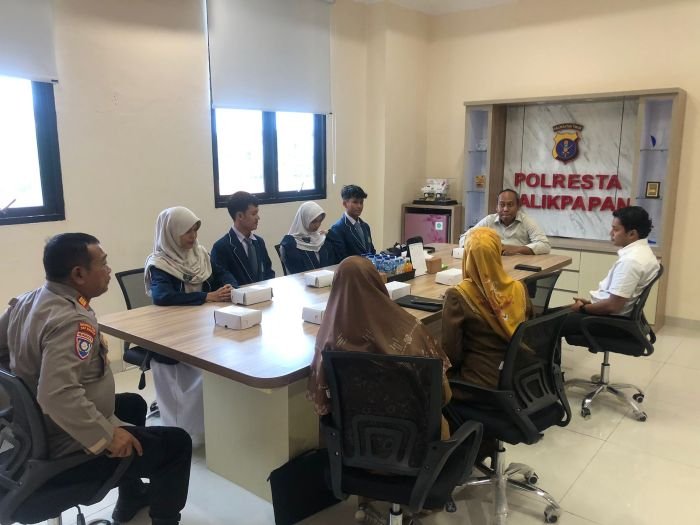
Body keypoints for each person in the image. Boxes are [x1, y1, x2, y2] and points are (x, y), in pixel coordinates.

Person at [0, 233, 191, 525]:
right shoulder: (72, 321)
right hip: (64, 440)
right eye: (103, 263)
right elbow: (57, 394)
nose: (109, 270)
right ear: (78, 274)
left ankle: (130, 499)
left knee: (133, 404)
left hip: (33, 426)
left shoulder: (27, 301)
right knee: (177, 444)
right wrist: (107, 436)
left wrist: (24, 387)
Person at [307, 256, 451, 434]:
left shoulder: (327, 341)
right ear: (377, 283)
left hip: (353, 441)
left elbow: (322, 403)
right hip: (415, 440)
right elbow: (443, 396)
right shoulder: (410, 333)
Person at [145, 206, 235, 447]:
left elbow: (222, 274)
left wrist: (230, 286)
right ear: (172, 233)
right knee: (198, 378)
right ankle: (183, 435)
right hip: (172, 336)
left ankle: (213, 424)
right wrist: (207, 296)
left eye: (195, 231)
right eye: (187, 232)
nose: (193, 237)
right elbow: (162, 296)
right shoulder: (160, 263)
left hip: (203, 328)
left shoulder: (200, 255)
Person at [442, 227, 532, 391]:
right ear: (497, 253)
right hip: (520, 377)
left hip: (479, 383)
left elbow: (451, 353)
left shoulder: (458, 295)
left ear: (468, 256)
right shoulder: (519, 288)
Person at [560, 206, 660, 336]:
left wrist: (582, 308)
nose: (611, 233)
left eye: (616, 229)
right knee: (553, 315)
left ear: (632, 234)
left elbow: (613, 306)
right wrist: (591, 303)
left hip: (609, 322)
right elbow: (615, 300)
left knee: (547, 322)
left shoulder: (631, 261)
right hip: (611, 316)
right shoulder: (644, 253)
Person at [459, 189, 550, 255]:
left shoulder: (526, 221)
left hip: (519, 265)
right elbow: (464, 238)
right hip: (493, 263)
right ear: (496, 207)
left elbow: (545, 245)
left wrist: (517, 249)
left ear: (518, 206)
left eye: (510, 205)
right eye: (502, 205)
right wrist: (485, 247)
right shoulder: (489, 220)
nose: (505, 209)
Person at [211, 191, 275, 285]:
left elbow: (268, 272)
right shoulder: (221, 247)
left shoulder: (259, 242)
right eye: (253, 214)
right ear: (240, 216)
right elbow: (221, 281)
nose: (258, 218)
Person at [279, 201, 337, 274]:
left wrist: (331, 235)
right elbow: (295, 272)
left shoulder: (322, 239)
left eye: (320, 221)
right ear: (304, 219)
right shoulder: (290, 244)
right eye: (313, 221)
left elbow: (333, 264)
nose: (317, 225)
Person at [327, 185, 376, 260]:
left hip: (368, 265)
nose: (359, 206)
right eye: (355, 202)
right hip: (351, 267)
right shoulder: (337, 228)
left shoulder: (365, 226)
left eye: (361, 202)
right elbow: (342, 258)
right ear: (345, 204)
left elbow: (371, 251)